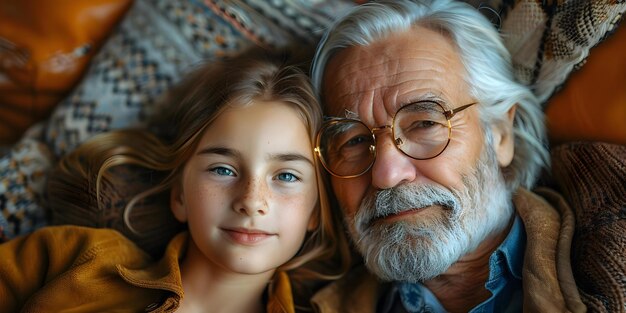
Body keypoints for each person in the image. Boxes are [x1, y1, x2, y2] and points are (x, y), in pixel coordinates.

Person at [0, 47, 350, 313]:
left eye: (287, 175)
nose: (251, 200)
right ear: (179, 194)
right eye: (223, 169)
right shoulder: (80, 260)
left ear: (316, 212)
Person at [307, 0, 587, 312]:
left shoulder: (604, 262)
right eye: (355, 140)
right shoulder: (301, 302)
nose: (386, 174)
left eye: (425, 124)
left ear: (501, 134)